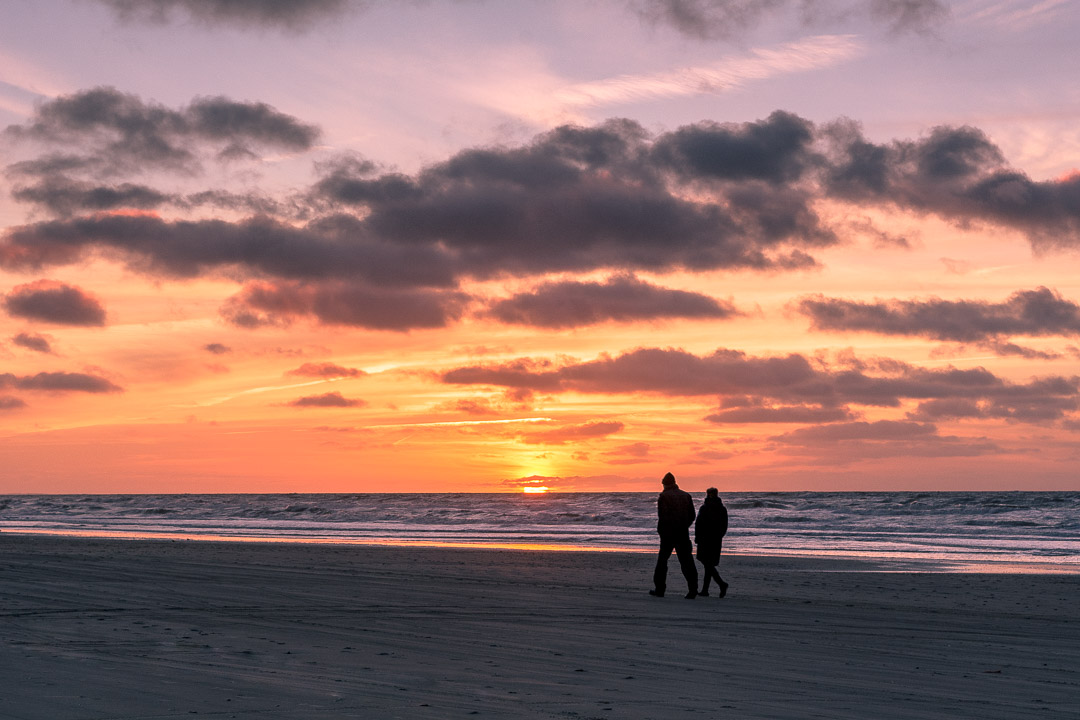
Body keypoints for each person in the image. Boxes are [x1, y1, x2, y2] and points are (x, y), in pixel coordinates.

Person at [649, 472, 698, 599]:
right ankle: (693, 590)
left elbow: (663, 516)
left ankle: (660, 589)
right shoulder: (686, 495)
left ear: (664, 484)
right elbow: (692, 515)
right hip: (682, 533)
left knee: (662, 562)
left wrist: (662, 530)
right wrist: (684, 525)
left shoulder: (664, 496)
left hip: (668, 534)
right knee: (687, 562)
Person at [695, 487, 729, 598]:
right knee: (708, 564)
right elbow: (724, 526)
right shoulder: (721, 508)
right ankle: (706, 590)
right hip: (715, 539)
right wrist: (719, 536)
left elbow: (698, 524)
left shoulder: (705, 508)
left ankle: (721, 584)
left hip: (706, 539)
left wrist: (698, 537)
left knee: (707, 563)